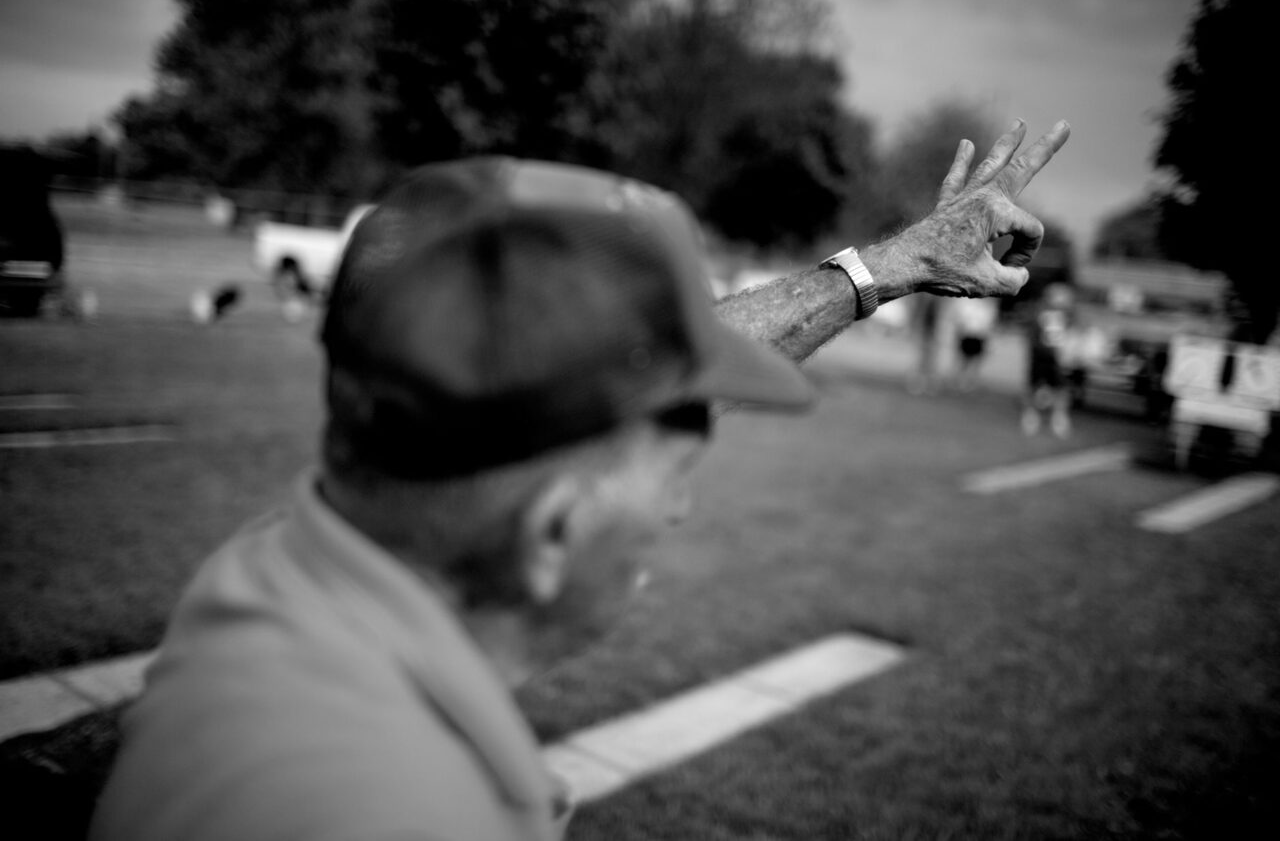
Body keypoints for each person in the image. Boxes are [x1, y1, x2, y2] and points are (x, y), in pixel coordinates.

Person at [89, 118, 1070, 841]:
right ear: (552, 529)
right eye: (669, 469)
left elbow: (608, 376)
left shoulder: (302, 556)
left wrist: (880, 268)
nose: (680, 508)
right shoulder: (402, 806)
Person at [1021, 281, 1079, 437]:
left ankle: (1059, 418)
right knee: (1033, 386)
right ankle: (1030, 415)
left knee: (1060, 388)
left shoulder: (1068, 315)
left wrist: (1066, 352)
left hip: (1058, 358)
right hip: (1040, 356)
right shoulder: (1038, 311)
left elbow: (1071, 335)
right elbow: (1032, 335)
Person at [950, 296, 1000, 391]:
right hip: (968, 334)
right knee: (964, 360)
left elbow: (990, 323)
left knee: (976, 360)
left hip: (979, 336)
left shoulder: (988, 306)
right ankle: (959, 381)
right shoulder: (967, 303)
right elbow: (960, 319)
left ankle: (970, 382)